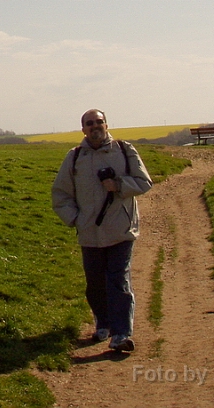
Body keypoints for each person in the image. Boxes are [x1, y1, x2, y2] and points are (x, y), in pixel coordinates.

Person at [51, 109, 153, 353]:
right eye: (90, 123)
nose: (95, 126)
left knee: (118, 280)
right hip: (90, 233)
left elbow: (144, 182)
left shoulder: (124, 150)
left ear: (106, 124)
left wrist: (118, 184)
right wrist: (76, 219)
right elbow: (61, 194)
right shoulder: (75, 158)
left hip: (121, 230)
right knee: (95, 283)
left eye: (99, 122)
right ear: (83, 129)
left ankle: (121, 334)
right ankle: (104, 323)